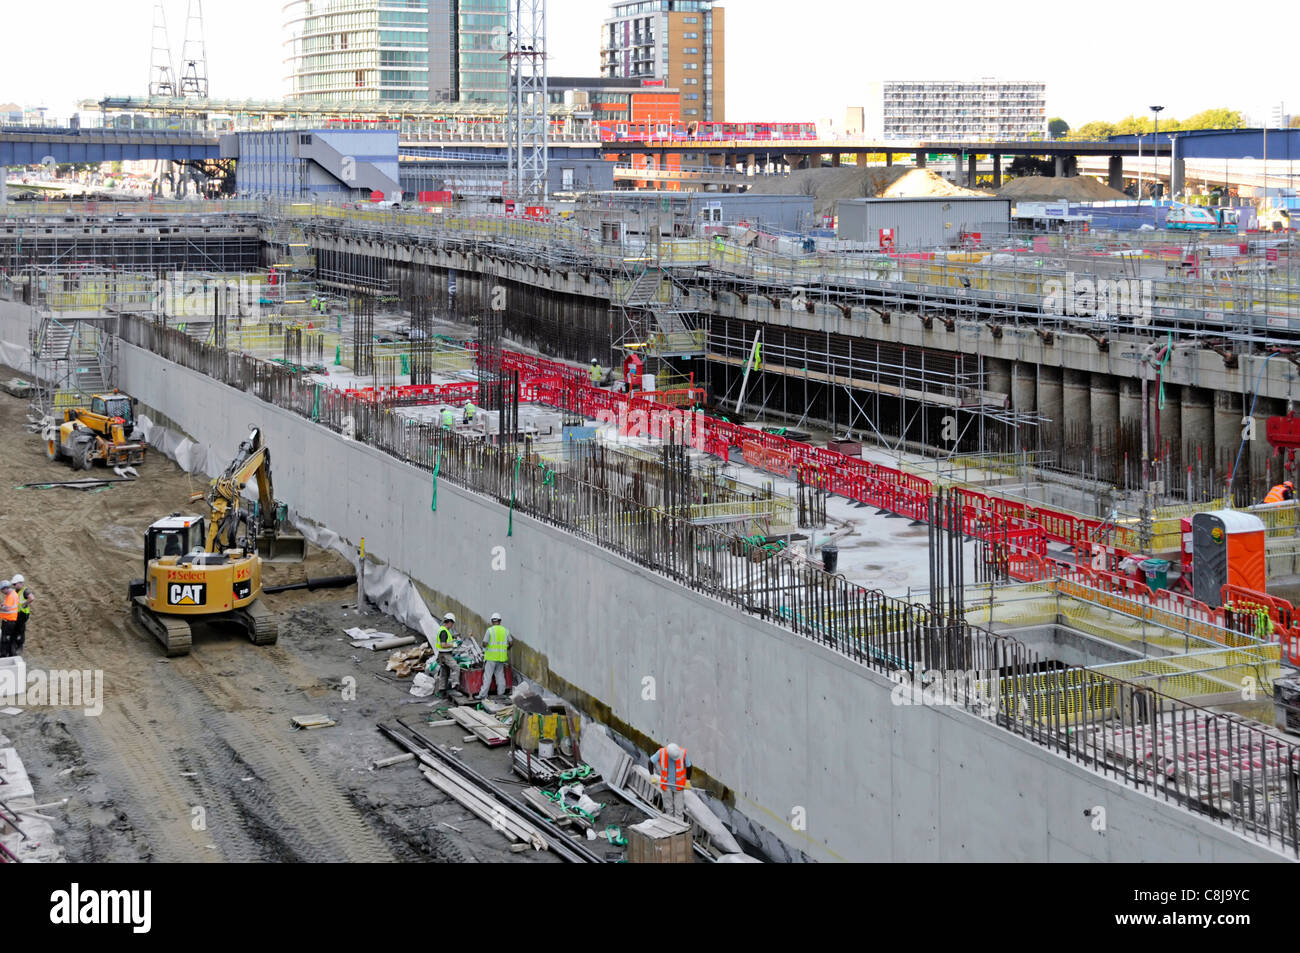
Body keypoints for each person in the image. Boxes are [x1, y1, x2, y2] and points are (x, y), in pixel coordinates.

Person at [649, 742, 691, 820]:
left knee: (679, 810)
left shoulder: (683, 753)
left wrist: (688, 781)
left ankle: (679, 827)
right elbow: (650, 762)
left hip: (679, 786)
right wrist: (652, 776)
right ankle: (670, 824)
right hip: (666, 785)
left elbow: (689, 766)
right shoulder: (661, 753)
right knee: (668, 809)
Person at [477, 612, 511, 699]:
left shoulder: (490, 630)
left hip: (491, 657)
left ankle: (483, 695)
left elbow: (484, 643)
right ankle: (501, 694)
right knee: (500, 676)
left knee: (487, 676)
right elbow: (511, 643)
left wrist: (486, 647)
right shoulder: (505, 631)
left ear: (492, 621)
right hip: (501, 658)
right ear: (500, 621)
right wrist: (506, 648)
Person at [428, 612, 460, 695]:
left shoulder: (443, 630)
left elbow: (445, 640)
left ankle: (442, 690)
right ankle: (454, 687)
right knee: (456, 667)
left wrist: (453, 638)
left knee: (445, 672)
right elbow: (443, 644)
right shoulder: (444, 632)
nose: (452, 626)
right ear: (449, 622)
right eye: (452, 624)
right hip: (445, 654)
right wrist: (454, 644)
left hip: (442, 655)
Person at [11, 574, 31, 656]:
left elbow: (32, 598)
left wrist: (24, 604)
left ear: (20, 583)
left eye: (15, 584)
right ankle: (15, 644)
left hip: (23, 613)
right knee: (15, 628)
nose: (14, 586)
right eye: (14, 584)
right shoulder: (16, 591)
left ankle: (20, 646)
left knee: (20, 629)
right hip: (17, 613)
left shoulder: (25, 591)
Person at [0, 580, 17, 659]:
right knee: (10, 638)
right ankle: (11, 654)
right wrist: (4, 605)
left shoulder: (10, 596)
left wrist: (1, 607)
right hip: (11, 620)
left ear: (6, 588)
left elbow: (7, 609)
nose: (2, 592)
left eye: (2, 590)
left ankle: (4, 655)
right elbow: (9, 606)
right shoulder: (12, 594)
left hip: (8, 621)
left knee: (5, 639)